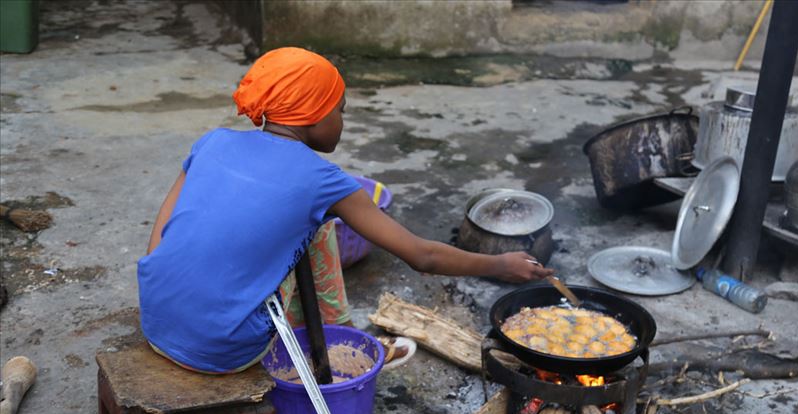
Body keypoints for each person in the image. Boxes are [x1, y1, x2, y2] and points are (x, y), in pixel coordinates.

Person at [137, 47, 553, 374]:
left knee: (301, 223)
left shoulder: (213, 141)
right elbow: (422, 256)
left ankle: (332, 335)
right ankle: (335, 341)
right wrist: (499, 265)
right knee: (317, 226)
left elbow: (159, 241)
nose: (342, 120)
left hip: (156, 319)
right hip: (226, 348)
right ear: (313, 115)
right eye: (340, 110)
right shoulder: (322, 178)